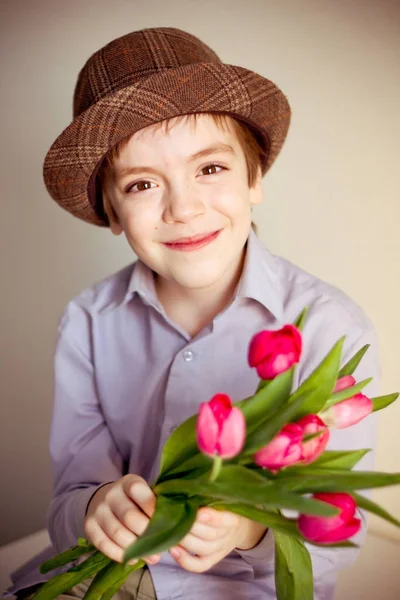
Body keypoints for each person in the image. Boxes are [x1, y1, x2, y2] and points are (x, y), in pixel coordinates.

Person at [5, 26, 380, 600]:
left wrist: (248, 528)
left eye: (210, 169)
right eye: (141, 184)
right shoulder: (87, 322)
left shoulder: (329, 327)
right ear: (111, 212)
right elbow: (72, 493)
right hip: (101, 581)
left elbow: (333, 530)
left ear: (254, 178)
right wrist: (93, 508)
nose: (183, 208)